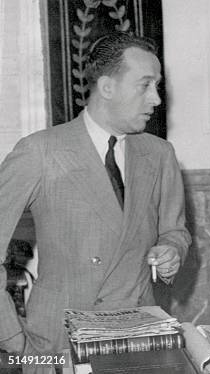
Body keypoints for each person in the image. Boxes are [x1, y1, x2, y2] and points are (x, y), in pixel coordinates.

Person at [0, 32, 191, 362]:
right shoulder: (39, 152)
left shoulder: (160, 154)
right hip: (59, 343)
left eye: (157, 86)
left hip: (140, 340)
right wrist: (15, 339)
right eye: (145, 85)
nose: (157, 99)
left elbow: (175, 232)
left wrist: (172, 250)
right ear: (107, 87)